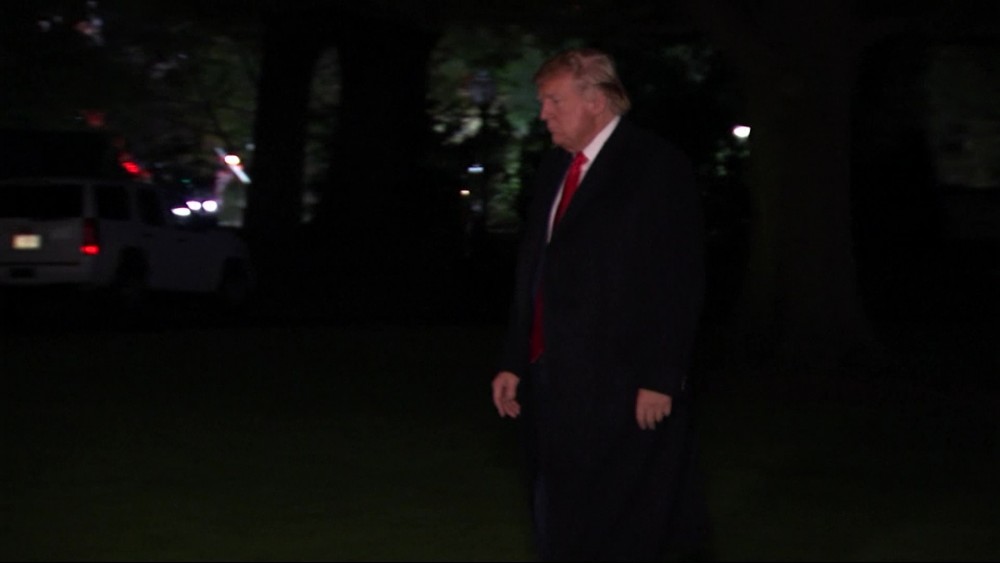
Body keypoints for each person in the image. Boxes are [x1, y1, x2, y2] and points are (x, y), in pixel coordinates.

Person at [490, 47, 708, 561]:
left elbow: (677, 279)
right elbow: (535, 272)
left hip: (621, 381)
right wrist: (514, 359)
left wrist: (661, 375)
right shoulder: (555, 169)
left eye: (554, 101)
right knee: (555, 504)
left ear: (597, 99)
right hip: (552, 377)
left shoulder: (654, 167)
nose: (544, 114)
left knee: (625, 515)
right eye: (543, 102)